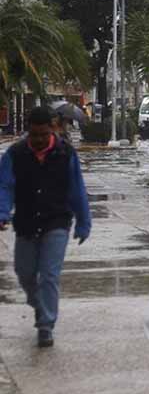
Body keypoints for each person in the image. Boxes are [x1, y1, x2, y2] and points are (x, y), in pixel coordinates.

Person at [0, 107, 91, 348]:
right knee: (25, 273)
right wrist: (2, 212)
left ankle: (46, 326)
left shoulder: (66, 153)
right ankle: (40, 305)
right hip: (27, 221)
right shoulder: (15, 154)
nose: (39, 140)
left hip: (56, 220)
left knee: (49, 275)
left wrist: (83, 222)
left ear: (52, 130)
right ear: (28, 132)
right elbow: (5, 186)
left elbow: (77, 189)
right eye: (34, 135)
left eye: (43, 134)